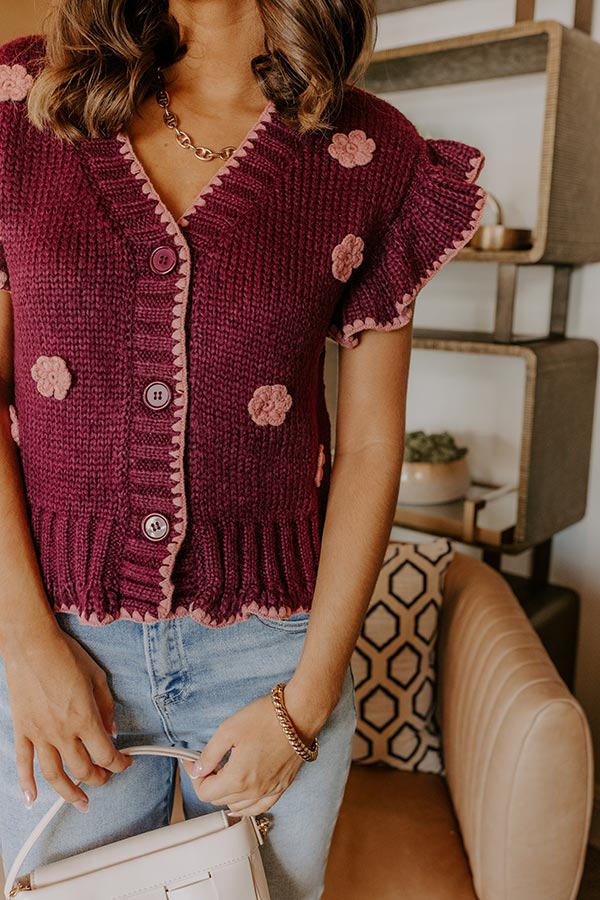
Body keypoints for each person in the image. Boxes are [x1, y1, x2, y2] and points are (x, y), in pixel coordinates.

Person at [0, 0, 486, 897]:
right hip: (56, 645)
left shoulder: (370, 153)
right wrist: (25, 645)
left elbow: (371, 446)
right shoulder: (27, 103)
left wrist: (305, 704)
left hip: (272, 664)